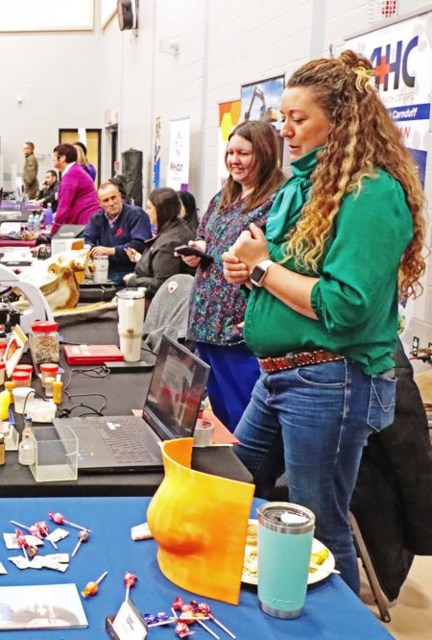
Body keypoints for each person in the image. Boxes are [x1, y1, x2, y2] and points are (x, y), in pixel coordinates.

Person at [221, 51, 426, 592]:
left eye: (298, 119)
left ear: (342, 120)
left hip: (329, 380)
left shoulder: (371, 194)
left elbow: (345, 304)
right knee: (232, 482)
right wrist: (250, 265)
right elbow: (286, 270)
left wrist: (263, 269)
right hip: (282, 375)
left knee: (318, 525)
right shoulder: (303, 186)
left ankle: (336, 626)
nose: (284, 130)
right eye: (281, 118)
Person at [180, 121, 283, 430]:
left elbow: (276, 262)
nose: (234, 160)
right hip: (205, 325)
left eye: (243, 153)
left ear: (264, 154)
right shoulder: (223, 197)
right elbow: (207, 241)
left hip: (237, 331)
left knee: (245, 421)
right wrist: (196, 250)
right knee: (221, 419)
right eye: (229, 152)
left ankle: (255, 479)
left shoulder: (276, 202)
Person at [122, 187, 194, 297]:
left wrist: (133, 280)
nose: (147, 212)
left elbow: (161, 284)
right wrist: (141, 259)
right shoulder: (174, 231)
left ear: (161, 211)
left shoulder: (170, 242)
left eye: (149, 208)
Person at [82, 178, 152, 286]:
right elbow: (87, 239)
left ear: (120, 196)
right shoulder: (96, 218)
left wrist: (111, 251)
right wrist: (90, 250)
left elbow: (138, 245)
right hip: (104, 270)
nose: (111, 203)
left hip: (130, 271)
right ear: (99, 203)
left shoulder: (137, 214)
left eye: (113, 197)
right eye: (106, 200)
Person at [51, 143, 101, 232]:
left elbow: (64, 207)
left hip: (84, 222)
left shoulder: (71, 175)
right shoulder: (76, 170)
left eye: (54, 155)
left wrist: (54, 232)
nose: (52, 158)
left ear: (62, 158)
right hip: (88, 220)